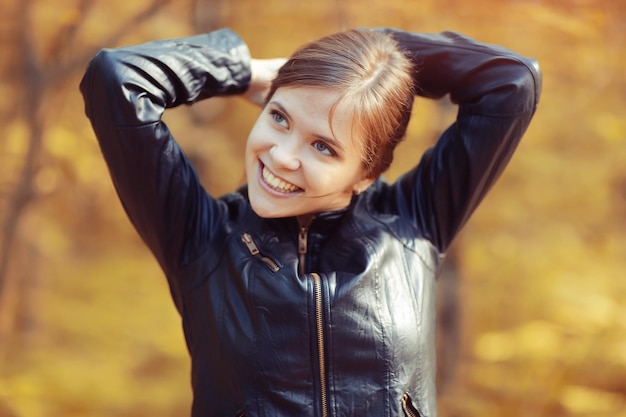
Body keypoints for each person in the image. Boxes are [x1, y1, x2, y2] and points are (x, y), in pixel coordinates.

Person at [80, 25, 541, 417]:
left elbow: (511, 82)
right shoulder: (200, 237)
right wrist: (248, 72)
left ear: (366, 173)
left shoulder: (414, 224)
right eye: (279, 117)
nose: (281, 156)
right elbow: (117, 78)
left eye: (323, 147)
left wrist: (374, 53)